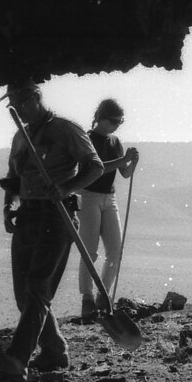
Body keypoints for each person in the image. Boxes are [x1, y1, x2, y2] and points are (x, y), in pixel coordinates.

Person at [0, 81, 104, 382]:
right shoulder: (20, 137)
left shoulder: (66, 129)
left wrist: (67, 187)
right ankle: (55, 351)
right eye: (13, 105)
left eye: (22, 102)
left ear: (37, 97)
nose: (18, 109)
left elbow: (95, 166)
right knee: (24, 294)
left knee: (38, 287)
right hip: (27, 216)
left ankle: (18, 358)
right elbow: (13, 179)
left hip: (57, 216)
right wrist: (8, 207)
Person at [78, 98, 139, 322]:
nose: (116, 126)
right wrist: (123, 159)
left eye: (120, 122)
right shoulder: (87, 139)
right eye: (113, 121)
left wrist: (132, 162)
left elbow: (125, 173)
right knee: (90, 252)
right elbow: (98, 169)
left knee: (115, 250)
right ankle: (87, 299)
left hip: (109, 198)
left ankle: (102, 297)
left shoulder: (115, 141)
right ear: (101, 118)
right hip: (88, 196)